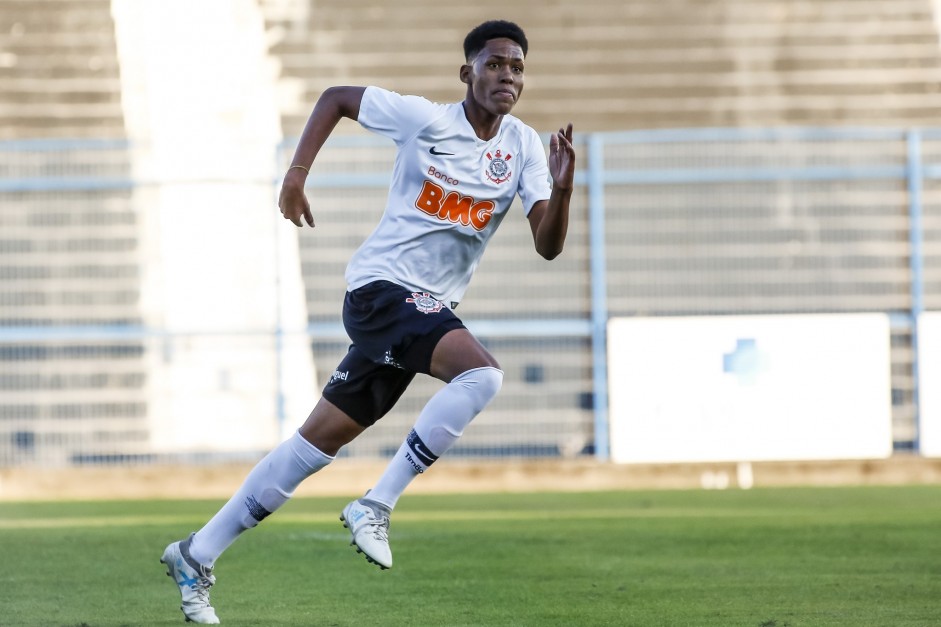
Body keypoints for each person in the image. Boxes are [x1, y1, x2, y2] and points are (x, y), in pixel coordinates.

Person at [160, 19, 575, 624]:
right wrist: (297, 174)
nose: (506, 75)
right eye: (493, 64)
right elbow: (335, 99)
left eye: (516, 66)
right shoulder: (426, 120)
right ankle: (376, 504)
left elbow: (548, 245)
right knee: (482, 377)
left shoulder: (525, 147)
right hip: (381, 291)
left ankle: (195, 556)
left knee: (313, 445)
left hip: (423, 311)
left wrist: (562, 191)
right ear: (468, 73)